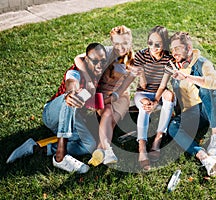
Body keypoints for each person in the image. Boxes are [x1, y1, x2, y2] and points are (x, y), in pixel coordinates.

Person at [6, 43, 108, 174]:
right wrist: (70, 93)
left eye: (103, 61)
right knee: (73, 97)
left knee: (89, 146)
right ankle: (60, 156)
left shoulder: (98, 78)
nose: (99, 64)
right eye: (95, 61)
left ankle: (36, 148)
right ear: (86, 60)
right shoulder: (75, 71)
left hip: (73, 119)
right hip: (52, 114)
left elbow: (99, 109)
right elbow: (71, 83)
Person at [167, 32, 216, 176]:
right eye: (172, 49)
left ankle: (215, 137)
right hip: (191, 113)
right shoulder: (176, 69)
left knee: (207, 89)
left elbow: (214, 83)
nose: (174, 53)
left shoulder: (203, 63)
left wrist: (188, 77)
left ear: (188, 48)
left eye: (177, 48)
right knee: (172, 127)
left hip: (208, 108)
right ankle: (205, 157)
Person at [74, 25, 137, 166]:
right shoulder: (106, 52)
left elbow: (120, 91)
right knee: (107, 112)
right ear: (112, 42)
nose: (121, 47)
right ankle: (107, 150)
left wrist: (108, 99)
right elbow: (78, 58)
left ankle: (99, 150)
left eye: (125, 43)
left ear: (131, 42)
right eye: (116, 43)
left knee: (112, 120)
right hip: (101, 92)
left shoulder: (133, 63)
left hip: (119, 95)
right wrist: (88, 79)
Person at [133, 26, 175, 171]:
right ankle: (142, 146)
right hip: (143, 93)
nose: (153, 47)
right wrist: (142, 74)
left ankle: (157, 140)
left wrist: (156, 100)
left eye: (158, 44)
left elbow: (163, 84)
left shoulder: (169, 59)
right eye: (150, 43)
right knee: (145, 106)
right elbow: (142, 84)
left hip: (159, 91)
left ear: (164, 43)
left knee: (169, 96)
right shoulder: (141, 55)